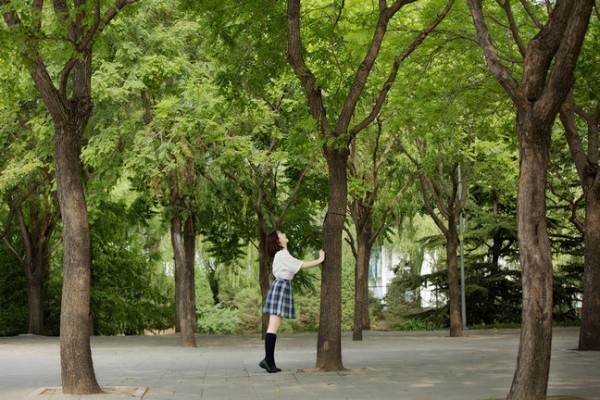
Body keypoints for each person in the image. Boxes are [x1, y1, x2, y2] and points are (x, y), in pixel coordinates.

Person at [259, 229, 325, 373]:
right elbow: (301, 265)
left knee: (273, 326)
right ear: (278, 240)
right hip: (281, 286)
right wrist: (320, 260)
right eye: (281, 234)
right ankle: (268, 361)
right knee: (273, 326)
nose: (284, 234)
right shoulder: (282, 255)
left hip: (281, 286)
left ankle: (269, 361)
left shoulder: (282, 255)